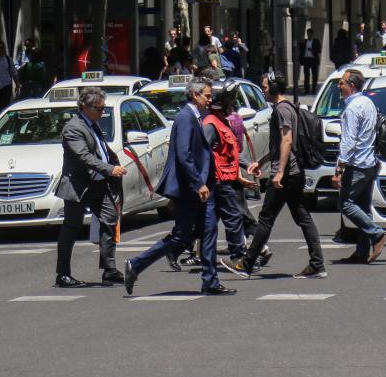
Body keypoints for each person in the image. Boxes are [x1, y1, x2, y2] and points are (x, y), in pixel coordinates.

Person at [125, 77, 235, 296]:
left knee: (209, 230)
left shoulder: (198, 116)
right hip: (189, 189)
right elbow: (184, 155)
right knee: (181, 237)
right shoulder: (185, 118)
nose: (210, 99)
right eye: (207, 95)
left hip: (203, 187)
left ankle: (210, 281)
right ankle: (136, 264)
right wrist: (199, 183)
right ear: (195, 95)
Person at [239, 72, 326, 279]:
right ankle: (317, 264)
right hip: (291, 172)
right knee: (302, 216)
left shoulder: (282, 110)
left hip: (286, 174)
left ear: (276, 87)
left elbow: (287, 141)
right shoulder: (285, 108)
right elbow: (280, 145)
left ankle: (247, 263)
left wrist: (278, 173)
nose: (263, 90)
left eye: (266, 86)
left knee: (266, 218)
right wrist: (260, 162)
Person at [55, 88, 125, 287]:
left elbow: (101, 151)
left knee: (110, 220)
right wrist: (110, 169)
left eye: (104, 108)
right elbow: (84, 157)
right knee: (71, 228)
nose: (102, 112)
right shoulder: (73, 128)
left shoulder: (92, 124)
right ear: (84, 107)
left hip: (99, 183)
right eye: (99, 108)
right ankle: (63, 274)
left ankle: (109, 269)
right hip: (79, 186)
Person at [331, 69, 386, 264]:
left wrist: (339, 169)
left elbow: (349, 141)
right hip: (370, 163)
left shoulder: (353, 108)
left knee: (345, 203)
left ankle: (378, 235)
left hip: (357, 164)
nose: (339, 86)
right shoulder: (368, 103)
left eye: (342, 83)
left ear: (351, 86)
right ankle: (362, 252)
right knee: (363, 208)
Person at [205, 84, 254, 274]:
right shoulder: (210, 124)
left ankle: (179, 250)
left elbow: (231, 151)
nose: (232, 107)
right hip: (217, 180)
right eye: (229, 102)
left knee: (216, 221)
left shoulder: (221, 122)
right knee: (232, 217)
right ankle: (237, 257)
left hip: (225, 178)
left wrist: (245, 166)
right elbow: (202, 151)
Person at [0, 40, 17, 109]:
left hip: (6, 86)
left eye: (1, 47)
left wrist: (17, 84)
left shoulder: (8, 59)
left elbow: (14, 72)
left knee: (5, 106)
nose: (0, 49)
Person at [300, 27, 322, 93]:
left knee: (314, 74)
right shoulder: (305, 41)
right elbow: (301, 49)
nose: (309, 35)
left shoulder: (316, 41)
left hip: (313, 59)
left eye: (310, 34)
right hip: (306, 59)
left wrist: (313, 50)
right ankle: (306, 89)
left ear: (312, 34)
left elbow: (319, 50)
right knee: (306, 75)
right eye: (308, 34)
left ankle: (314, 88)